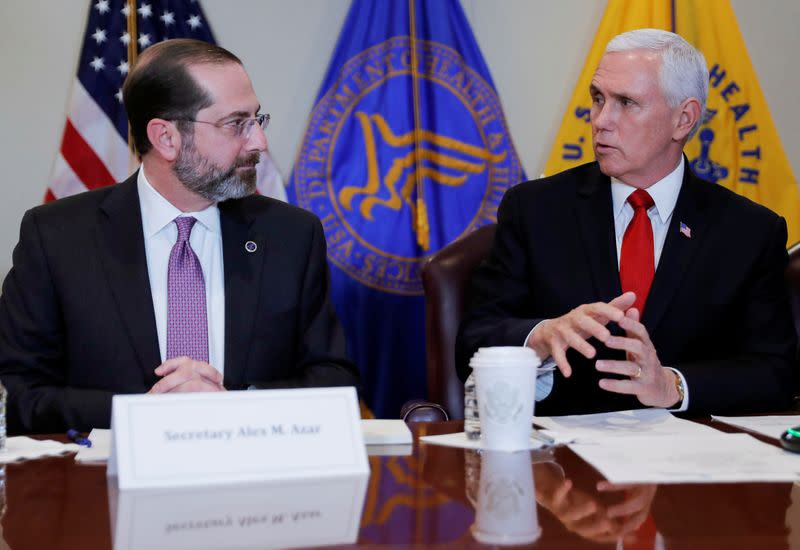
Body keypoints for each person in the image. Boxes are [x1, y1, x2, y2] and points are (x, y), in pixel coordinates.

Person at [0, 39, 358, 434]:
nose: (259, 141)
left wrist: (236, 405)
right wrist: (140, 413)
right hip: (104, 487)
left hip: (252, 479)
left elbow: (334, 380)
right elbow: (16, 393)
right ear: (166, 138)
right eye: (236, 123)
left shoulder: (291, 235)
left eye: (258, 119)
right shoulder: (57, 239)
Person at [457, 29, 796, 416]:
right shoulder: (535, 210)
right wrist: (540, 337)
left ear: (683, 119)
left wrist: (672, 385)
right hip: (562, 460)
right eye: (598, 99)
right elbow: (473, 340)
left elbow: (775, 373)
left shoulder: (749, 233)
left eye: (626, 103)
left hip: (689, 462)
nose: (601, 120)